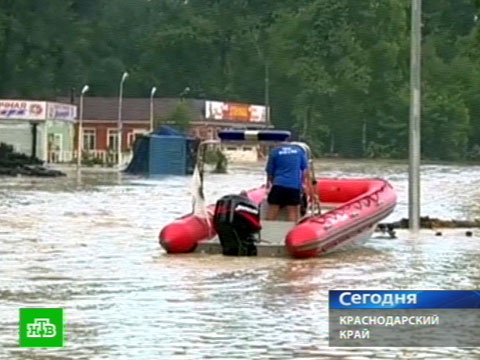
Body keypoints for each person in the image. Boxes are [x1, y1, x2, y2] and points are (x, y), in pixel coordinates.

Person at [265, 143, 311, 222]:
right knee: (292, 210)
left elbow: (270, 173)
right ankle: (292, 231)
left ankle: (267, 230)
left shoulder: (274, 152)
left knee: (273, 209)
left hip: (278, 185)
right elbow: (305, 171)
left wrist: (270, 184)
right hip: (294, 186)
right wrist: (303, 184)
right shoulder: (299, 152)